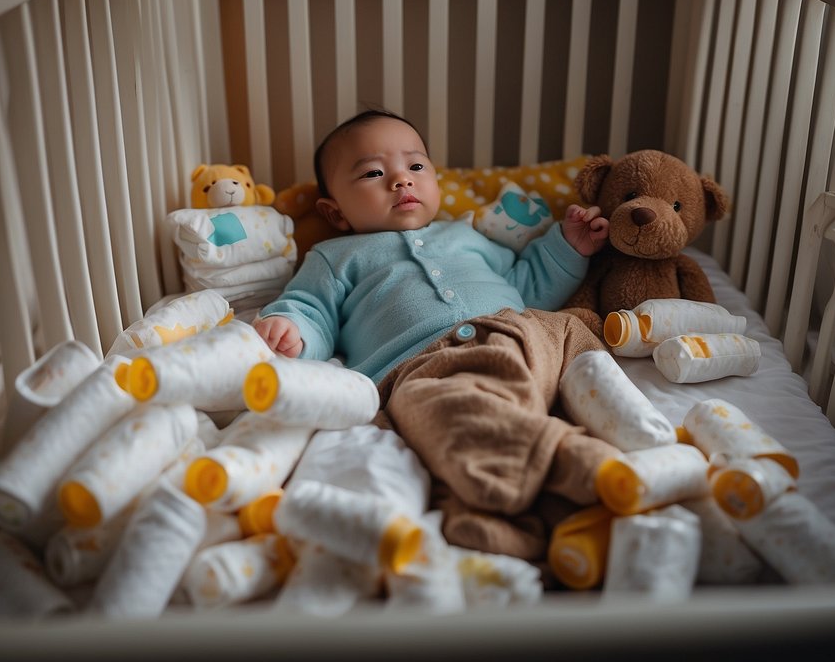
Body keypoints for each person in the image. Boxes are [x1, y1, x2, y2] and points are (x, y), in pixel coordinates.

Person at [253, 109, 624, 559]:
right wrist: (291, 331)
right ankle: (553, 496)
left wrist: (569, 246)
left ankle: (600, 439)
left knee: (574, 329)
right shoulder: (333, 257)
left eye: (415, 166)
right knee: (444, 414)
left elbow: (531, 286)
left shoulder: (470, 236)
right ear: (335, 212)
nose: (400, 181)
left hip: (524, 336)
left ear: (435, 180)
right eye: (373, 173)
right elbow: (311, 311)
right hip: (423, 367)